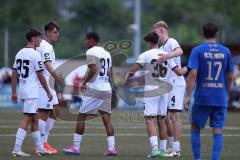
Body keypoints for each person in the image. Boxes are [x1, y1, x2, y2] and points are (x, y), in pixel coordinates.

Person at [125, 32, 187, 158]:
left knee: (149, 119)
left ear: (149, 42)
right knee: (162, 119)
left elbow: (134, 69)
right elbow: (178, 71)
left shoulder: (145, 54)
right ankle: (163, 150)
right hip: (165, 89)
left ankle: (155, 149)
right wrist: (188, 68)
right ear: (157, 42)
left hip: (152, 89)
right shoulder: (166, 55)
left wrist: (127, 77)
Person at [184, 22, 233, 160]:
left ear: (202, 33)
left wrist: (188, 96)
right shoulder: (226, 51)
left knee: (195, 128)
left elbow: (192, 74)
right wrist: (227, 92)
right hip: (219, 97)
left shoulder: (197, 50)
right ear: (216, 34)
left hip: (202, 97)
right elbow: (230, 75)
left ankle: (198, 158)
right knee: (217, 130)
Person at [63, 32, 117, 156]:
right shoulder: (107, 53)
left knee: (81, 116)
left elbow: (93, 69)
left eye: (86, 40)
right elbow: (110, 72)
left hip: (94, 89)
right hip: (106, 88)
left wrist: (85, 82)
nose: (85, 42)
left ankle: (75, 148)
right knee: (106, 119)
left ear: (92, 41)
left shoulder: (91, 52)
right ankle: (112, 148)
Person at [11, 29, 53, 156]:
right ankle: (16, 149)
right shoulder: (35, 54)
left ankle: (40, 148)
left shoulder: (19, 53)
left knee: (35, 119)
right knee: (27, 119)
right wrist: (48, 91)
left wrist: (14, 92)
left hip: (23, 90)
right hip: (32, 92)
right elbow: (41, 76)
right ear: (34, 38)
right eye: (39, 38)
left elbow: (14, 73)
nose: (40, 40)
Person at [153, 21, 185, 156]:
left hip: (176, 83)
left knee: (174, 115)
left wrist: (167, 55)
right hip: (167, 84)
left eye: (155, 33)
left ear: (161, 31)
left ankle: (176, 148)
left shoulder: (171, 41)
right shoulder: (163, 46)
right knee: (165, 116)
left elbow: (180, 51)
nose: (155, 36)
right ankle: (172, 146)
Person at [36, 21, 64, 154]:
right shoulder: (45, 46)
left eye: (57, 32)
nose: (57, 35)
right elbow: (47, 64)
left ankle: (44, 142)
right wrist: (58, 77)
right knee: (44, 114)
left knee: (56, 111)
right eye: (54, 32)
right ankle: (40, 145)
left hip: (49, 83)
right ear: (47, 32)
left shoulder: (46, 45)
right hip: (44, 84)